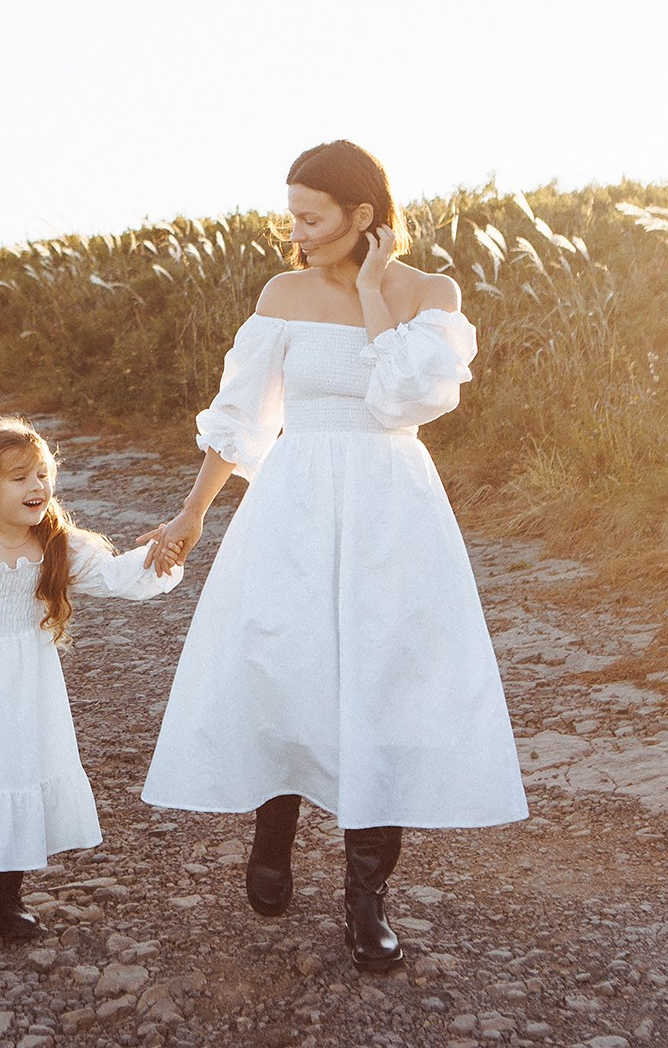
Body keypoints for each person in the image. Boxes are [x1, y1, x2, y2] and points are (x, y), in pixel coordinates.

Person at [137, 139, 528, 971]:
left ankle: (365, 896)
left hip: (392, 506)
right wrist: (192, 515)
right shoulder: (282, 292)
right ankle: (273, 833)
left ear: (364, 215)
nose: (299, 232)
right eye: (293, 216)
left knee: (381, 683)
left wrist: (376, 296)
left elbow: (402, 400)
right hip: (296, 499)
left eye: (313, 217)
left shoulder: (430, 294)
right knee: (288, 663)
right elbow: (242, 414)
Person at [0, 416, 182, 943]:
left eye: (43, 475)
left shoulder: (55, 539)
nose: (36, 488)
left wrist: (159, 555)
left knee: (22, 771)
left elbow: (113, 575)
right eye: (19, 478)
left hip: (31, 680)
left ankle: (9, 897)